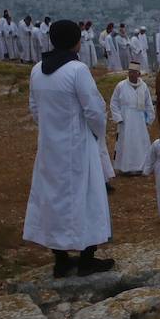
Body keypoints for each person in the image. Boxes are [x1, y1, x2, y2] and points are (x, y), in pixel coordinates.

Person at [22, 19, 114, 279]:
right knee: (89, 197)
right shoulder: (77, 70)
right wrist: (96, 133)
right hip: (78, 145)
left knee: (53, 199)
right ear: (77, 41)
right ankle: (87, 258)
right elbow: (94, 110)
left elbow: (35, 108)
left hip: (50, 147)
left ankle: (60, 259)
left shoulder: (37, 70)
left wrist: (52, 130)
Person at [109, 61, 154, 175]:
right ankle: (126, 168)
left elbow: (148, 104)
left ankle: (142, 166)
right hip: (126, 120)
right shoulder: (121, 86)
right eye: (130, 72)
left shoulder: (143, 86)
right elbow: (114, 103)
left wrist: (149, 118)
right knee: (126, 143)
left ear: (138, 74)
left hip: (140, 120)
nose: (132, 75)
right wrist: (118, 117)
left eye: (134, 72)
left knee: (141, 143)